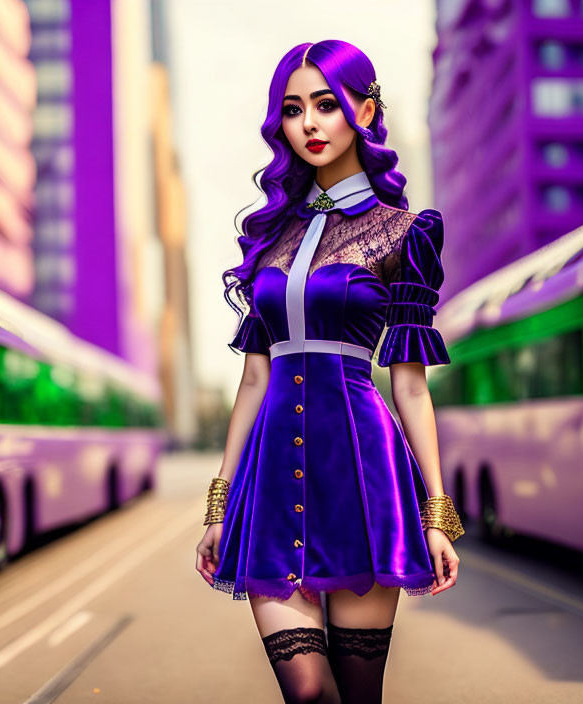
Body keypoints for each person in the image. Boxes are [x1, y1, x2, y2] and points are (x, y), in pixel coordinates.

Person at [195, 39, 464, 704]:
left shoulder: (404, 233)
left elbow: (408, 384)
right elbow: (253, 380)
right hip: (268, 480)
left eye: (326, 104)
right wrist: (218, 501)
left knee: (357, 695)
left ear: (365, 111)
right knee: (309, 693)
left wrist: (439, 515)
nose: (309, 123)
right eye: (293, 110)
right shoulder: (269, 241)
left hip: (362, 478)